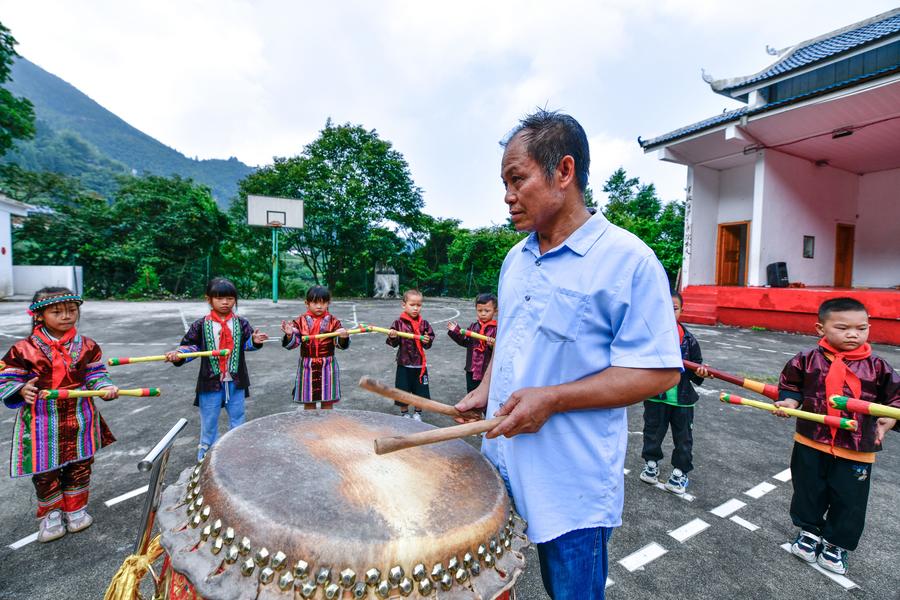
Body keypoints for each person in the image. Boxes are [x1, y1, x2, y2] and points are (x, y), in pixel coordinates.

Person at [454, 110, 681, 600]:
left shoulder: (628, 261)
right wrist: (486, 387)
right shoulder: (517, 258)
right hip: (500, 463)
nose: (508, 196)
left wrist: (553, 399)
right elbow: (511, 332)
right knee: (491, 588)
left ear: (564, 171)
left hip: (570, 484)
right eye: (505, 182)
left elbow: (659, 371)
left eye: (518, 179)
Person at [774, 297, 899, 575]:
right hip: (810, 441)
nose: (853, 334)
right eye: (843, 328)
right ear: (821, 328)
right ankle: (809, 531)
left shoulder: (879, 367)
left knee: (849, 499)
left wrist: (890, 418)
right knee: (808, 490)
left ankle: (836, 543)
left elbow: (895, 400)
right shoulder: (806, 360)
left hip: (857, 447)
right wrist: (790, 402)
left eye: (861, 328)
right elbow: (791, 385)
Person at [0, 287, 119, 542]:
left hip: (80, 416)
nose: (66, 316)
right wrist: (21, 389)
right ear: (39, 315)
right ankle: (51, 515)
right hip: (42, 420)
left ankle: (76, 510)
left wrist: (104, 387)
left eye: (72, 311)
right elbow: (6, 377)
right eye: (57, 312)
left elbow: (96, 373)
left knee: (80, 464)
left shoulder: (88, 345)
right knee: (45, 470)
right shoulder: (23, 349)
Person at [166, 278, 267, 460]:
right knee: (209, 422)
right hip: (210, 382)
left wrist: (255, 341)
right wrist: (179, 354)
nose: (225, 302)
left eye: (230, 298)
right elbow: (191, 347)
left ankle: (237, 453)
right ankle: (206, 458)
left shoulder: (241, 323)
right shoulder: (201, 325)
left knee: (238, 419)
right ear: (209, 299)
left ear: (235, 300)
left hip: (236, 382)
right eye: (220, 298)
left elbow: (247, 345)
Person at [639, 291, 710, 494]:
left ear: (681, 311)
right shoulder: (651, 338)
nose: (670, 314)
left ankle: (680, 472)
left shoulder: (689, 341)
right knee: (652, 432)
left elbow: (697, 376)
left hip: (683, 400)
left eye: (675, 309)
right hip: (656, 397)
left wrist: (701, 372)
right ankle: (651, 464)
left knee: (683, 439)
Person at [281, 285, 349, 409]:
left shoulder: (334, 322)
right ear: (307, 303)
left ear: (328, 303)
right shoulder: (300, 321)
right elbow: (293, 343)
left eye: (323, 303)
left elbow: (339, 344)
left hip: (327, 365)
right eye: (315, 302)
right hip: (307, 366)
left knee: (328, 401)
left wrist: (343, 337)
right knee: (309, 401)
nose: (319, 306)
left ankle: (326, 427)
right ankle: (310, 427)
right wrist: (290, 335)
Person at [387, 289, 434, 420]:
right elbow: (393, 343)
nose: (415, 308)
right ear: (404, 305)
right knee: (402, 390)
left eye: (418, 305)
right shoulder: (398, 323)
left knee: (420, 390)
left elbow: (428, 342)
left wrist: (427, 339)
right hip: (404, 363)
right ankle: (405, 413)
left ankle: (418, 413)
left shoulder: (424, 324)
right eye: (412, 305)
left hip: (419, 364)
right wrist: (392, 336)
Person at [447, 292, 498, 393]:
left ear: (495, 311)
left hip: (487, 370)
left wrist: (493, 346)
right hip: (472, 369)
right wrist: (456, 331)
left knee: (485, 394)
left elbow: (500, 350)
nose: (483, 314)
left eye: (487, 311)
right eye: (479, 310)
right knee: (471, 393)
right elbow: (465, 341)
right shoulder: (473, 327)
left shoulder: (497, 329)